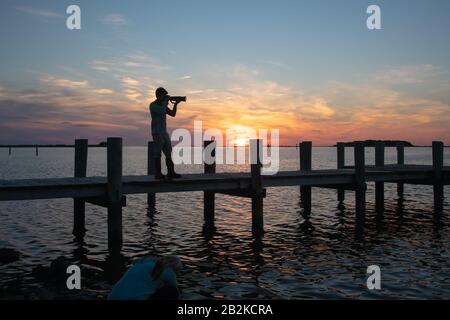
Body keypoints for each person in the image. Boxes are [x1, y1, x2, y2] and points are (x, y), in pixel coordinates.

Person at [149, 87, 183, 179]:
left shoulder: (162, 105)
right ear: (159, 96)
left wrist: (175, 104)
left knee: (168, 153)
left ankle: (171, 172)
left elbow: (172, 114)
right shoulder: (153, 105)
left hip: (164, 132)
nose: (165, 97)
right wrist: (165, 102)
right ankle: (158, 173)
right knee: (157, 153)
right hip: (156, 132)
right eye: (164, 95)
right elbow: (161, 111)